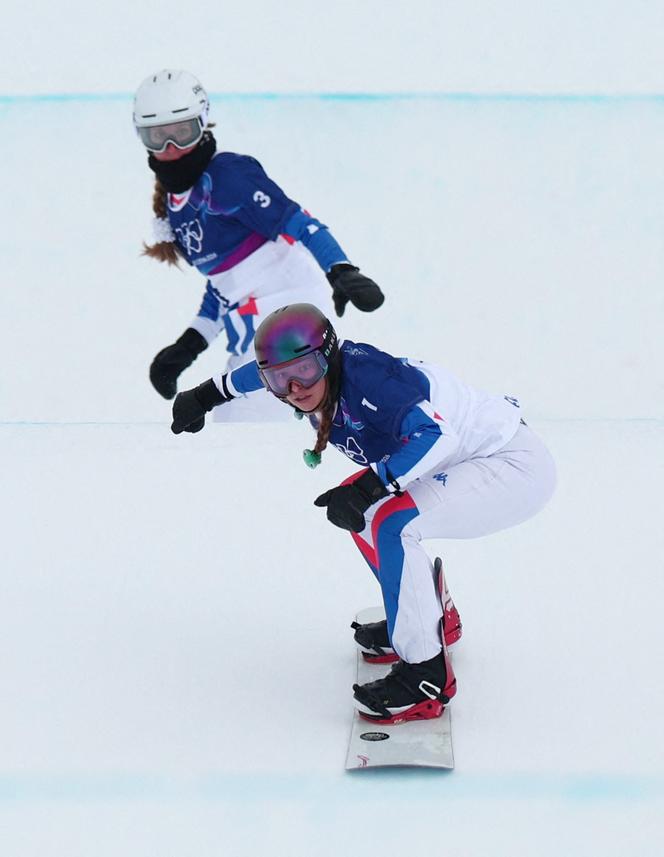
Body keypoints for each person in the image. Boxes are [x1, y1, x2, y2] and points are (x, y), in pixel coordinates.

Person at [169, 304, 557, 724]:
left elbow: (436, 436)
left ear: (330, 357)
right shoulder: (311, 377)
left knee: (389, 521)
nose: (295, 388)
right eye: (280, 380)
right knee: (362, 512)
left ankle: (426, 679)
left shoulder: (368, 383)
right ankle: (425, 621)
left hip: (510, 464)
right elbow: (261, 372)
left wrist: (375, 485)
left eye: (305, 370)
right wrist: (207, 395)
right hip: (460, 459)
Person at [133, 69, 384, 420]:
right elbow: (224, 286)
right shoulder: (176, 212)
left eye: (182, 133)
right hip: (250, 332)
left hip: (287, 316)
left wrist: (340, 269)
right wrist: (187, 347)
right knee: (233, 422)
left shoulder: (229, 178)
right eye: (158, 136)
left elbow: (298, 222)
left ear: (203, 123)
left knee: (246, 423)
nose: (171, 148)